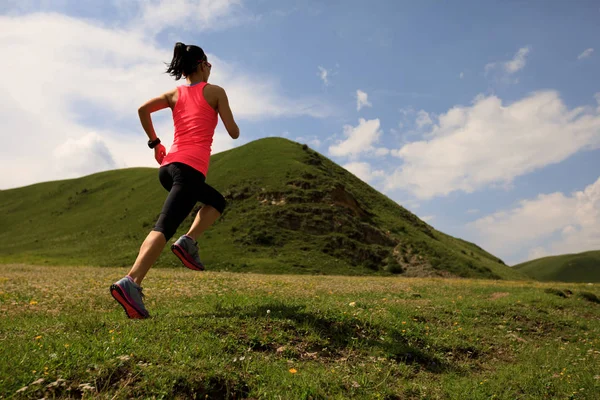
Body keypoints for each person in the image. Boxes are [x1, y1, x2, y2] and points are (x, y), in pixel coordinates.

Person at [110, 42, 240, 319]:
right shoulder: (216, 92)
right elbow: (234, 132)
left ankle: (188, 242)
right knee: (164, 226)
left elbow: (142, 110)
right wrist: (225, 115)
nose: (211, 68)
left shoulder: (173, 93)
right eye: (209, 64)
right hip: (189, 169)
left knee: (216, 201)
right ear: (202, 64)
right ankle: (131, 281)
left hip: (168, 168)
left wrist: (156, 144)